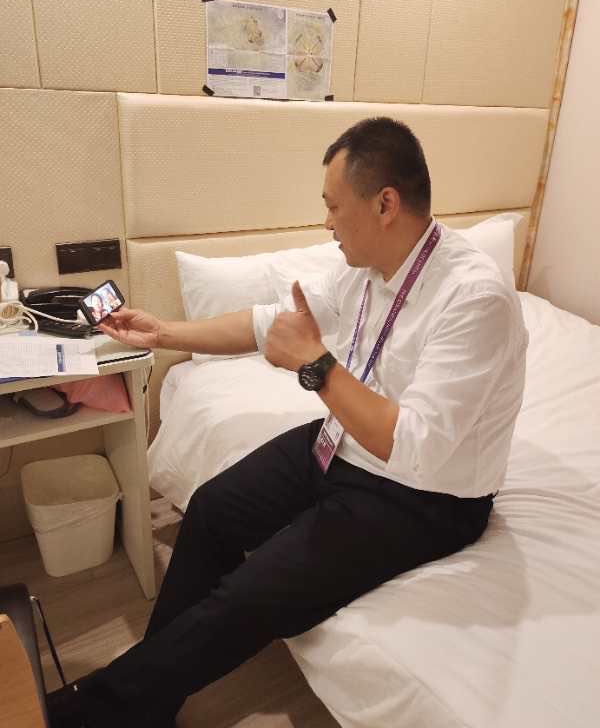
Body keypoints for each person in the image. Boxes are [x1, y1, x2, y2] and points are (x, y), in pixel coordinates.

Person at [47, 117, 528, 727]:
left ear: (385, 204)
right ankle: (149, 703)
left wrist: (316, 364)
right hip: (347, 441)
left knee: (249, 595)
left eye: (332, 206)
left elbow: (416, 447)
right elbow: (268, 323)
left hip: (424, 494)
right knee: (212, 509)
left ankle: (87, 714)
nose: (325, 223)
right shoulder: (364, 267)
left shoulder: (475, 297)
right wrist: (164, 333)